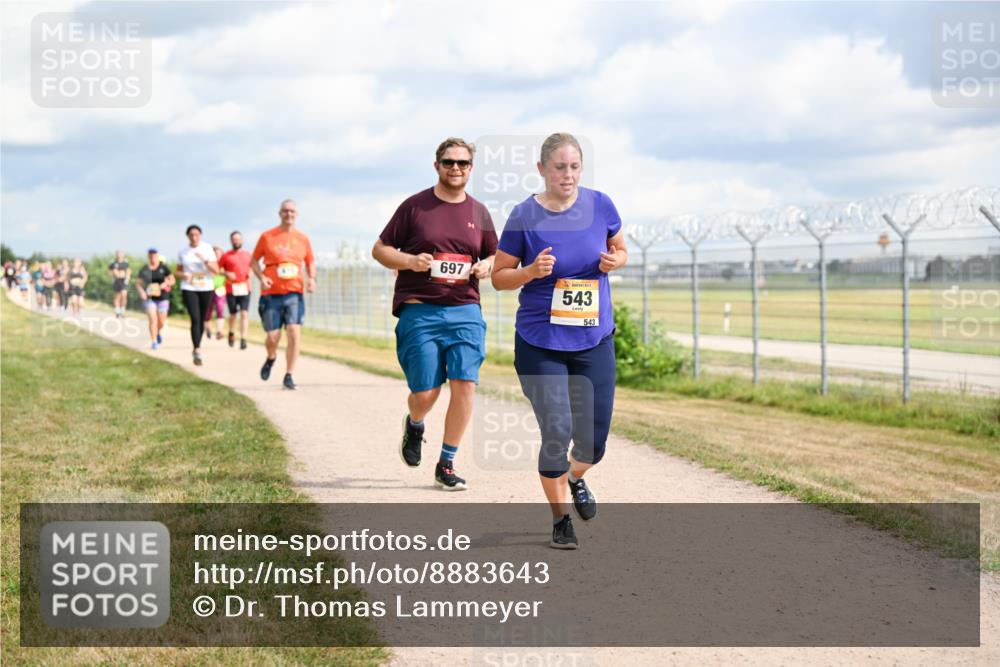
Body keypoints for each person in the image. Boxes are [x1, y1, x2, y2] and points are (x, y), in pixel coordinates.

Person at [492, 132, 628, 549]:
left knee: (593, 442)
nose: (567, 175)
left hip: (593, 340)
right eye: (558, 167)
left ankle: (575, 478)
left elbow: (621, 248)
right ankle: (559, 520)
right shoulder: (523, 216)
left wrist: (614, 260)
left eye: (574, 167)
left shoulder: (600, 204)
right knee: (557, 428)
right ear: (541, 169)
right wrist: (531, 272)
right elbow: (499, 278)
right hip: (540, 343)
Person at [372, 137, 497, 491]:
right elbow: (380, 249)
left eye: (462, 163)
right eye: (448, 162)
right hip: (420, 311)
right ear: (436, 165)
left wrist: (486, 266)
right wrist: (410, 261)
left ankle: (446, 462)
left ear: (470, 168)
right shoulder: (415, 207)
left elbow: (494, 255)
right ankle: (415, 423)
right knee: (426, 393)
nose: (455, 168)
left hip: (465, 310)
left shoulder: (479, 213)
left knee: (465, 385)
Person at [251, 200, 316, 390]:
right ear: (280, 213)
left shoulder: (303, 238)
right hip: (271, 294)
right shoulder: (267, 236)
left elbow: (310, 262)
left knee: (294, 332)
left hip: (294, 293)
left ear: (296, 215)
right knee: (273, 337)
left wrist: (312, 278)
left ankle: (289, 374)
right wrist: (261, 277)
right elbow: (254, 260)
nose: (289, 214)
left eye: (292, 211)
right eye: (286, 211)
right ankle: (271, 357)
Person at [175, 225, 219, 366]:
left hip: (206, 286)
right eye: (191, 235)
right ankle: (197, 349)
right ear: (188, 236)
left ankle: (197, 345)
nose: (194, 237)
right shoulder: (183, 252)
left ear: (200, 235)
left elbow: (216, 271)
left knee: (201, 318)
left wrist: (205, 260)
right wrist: (183, 275)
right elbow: (178, 272)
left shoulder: (207, 249)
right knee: (195, 317)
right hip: (189, 287)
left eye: (196, 234)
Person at [219, 231, 253, 349]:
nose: (236, 241)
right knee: (233, 314)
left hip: (245, 288)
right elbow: (218, 270)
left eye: (238, 239)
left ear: (242, 240)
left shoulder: (248, 255)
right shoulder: (226, 256)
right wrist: (227, 273)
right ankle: (231, 332)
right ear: (231, 241)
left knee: (244, 313)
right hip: (231, 288)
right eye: (234, 239)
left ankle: (243, 338)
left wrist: (250, 273)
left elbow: (253, 268)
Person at [135, 248, 175, 349]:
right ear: (148, 256)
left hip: (163, 297)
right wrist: (141, 292)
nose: (153, 257)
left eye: (155, 255)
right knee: (153, 320)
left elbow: (172, 280)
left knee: (161, 322)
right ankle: (154, 342)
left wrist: (166, 283)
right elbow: (138, 283)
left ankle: (157, 333)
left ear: (157, 256)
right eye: (151, 255)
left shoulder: (163, 267)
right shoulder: (144, 269)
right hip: (149, 298)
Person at [108, 250, 131, 318]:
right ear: (116, 254)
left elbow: (129, 270)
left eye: (121, 253)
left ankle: (122, 311)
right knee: (117, 296)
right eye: (118, 253)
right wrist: (114, 273)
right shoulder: (113, 263)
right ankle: (117, 312)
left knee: (124, 295)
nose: (119, 255)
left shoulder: (126, 262)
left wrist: (128, 277)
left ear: (123, 254)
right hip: (116, 281)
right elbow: (109, 272)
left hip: (124, 281)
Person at [210, 245, 227, 340]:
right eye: (214, 253)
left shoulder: (225, 265)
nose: (216, 255)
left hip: (220, 290)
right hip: (208, 289)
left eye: (218, 253)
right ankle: (207, 327)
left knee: (220, 310)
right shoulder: (208, 264)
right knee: (208, 311)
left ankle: (219, 331)